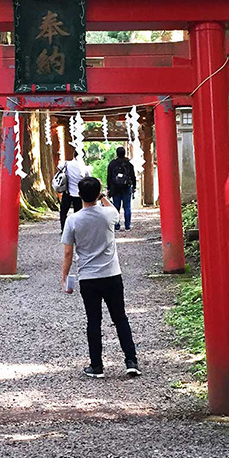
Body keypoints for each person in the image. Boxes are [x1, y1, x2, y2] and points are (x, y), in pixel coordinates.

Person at [60, 176, 141, 378]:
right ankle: (131, 361)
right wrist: (102, 196)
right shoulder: (108, 215)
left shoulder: (73, 220)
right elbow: (112, 208)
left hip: (88, 277)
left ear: (79, 195)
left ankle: (96, 366)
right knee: (120, 317)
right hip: (112, 274)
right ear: (98, 194)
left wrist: (65, 277)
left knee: (93, 321)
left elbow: (68, 253)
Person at [106, 146, 137, 231]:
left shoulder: (112, 163)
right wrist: (134, 186)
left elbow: (109, 176)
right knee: (127, 206)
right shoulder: (129, 163)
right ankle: (127, 226)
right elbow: (132, 175)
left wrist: (109, 188)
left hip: (115, 187)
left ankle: (116, 225)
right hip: (126, 187)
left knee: (116, 206)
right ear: (124, 153)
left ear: (117, 153)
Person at [58, 150, 89, 232]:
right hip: (79, 193)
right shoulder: (84, 168)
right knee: (78, 213)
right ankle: (77, 229)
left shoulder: (67, 164)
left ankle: (64, 229)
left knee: (63, 211)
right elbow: (88, 178)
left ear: (74, 155)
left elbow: (59, 167)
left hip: (67, 192)